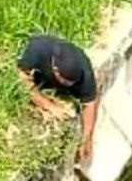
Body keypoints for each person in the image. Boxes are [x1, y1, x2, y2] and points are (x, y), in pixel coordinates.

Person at [16, 34, 99, 164]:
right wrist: (48, 105)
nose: (69, 85)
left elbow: (89, 103)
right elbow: (21, 79)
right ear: (55, 69)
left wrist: (87, 137)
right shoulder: (37, 49)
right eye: (65, 82)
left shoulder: (85, 69)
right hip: (40, 76)